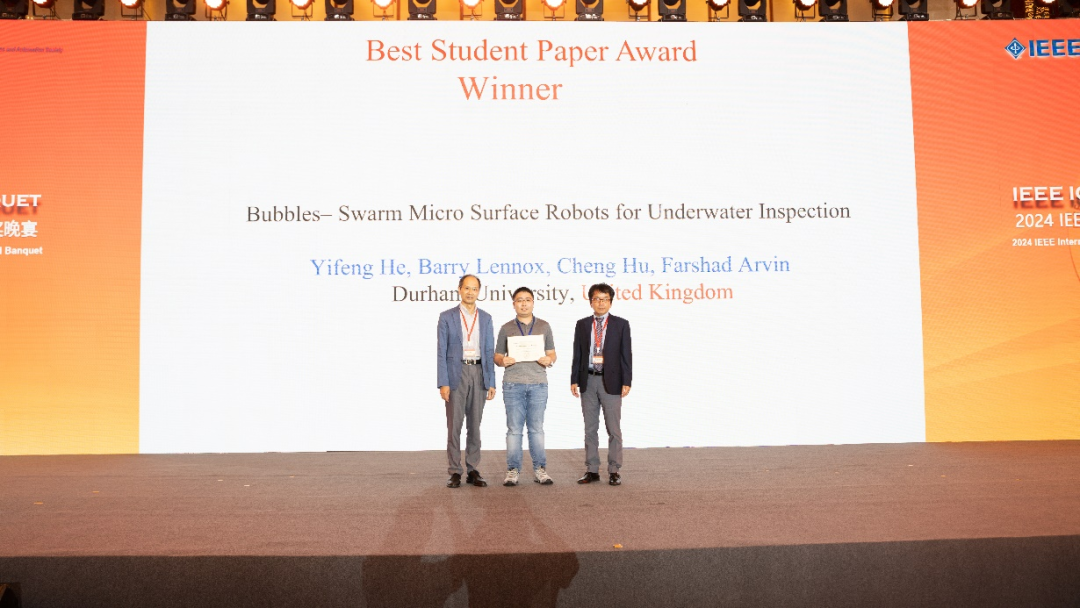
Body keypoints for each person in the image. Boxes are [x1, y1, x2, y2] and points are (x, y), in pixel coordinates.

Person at [437, 275, 496, 488]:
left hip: (479, 372)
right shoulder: (447, 317)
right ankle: (455, 471)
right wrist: (443, 382)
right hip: (456, 373)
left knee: (475, 425)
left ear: (479, 291)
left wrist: (491, 380)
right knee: (454, 426)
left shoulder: (486, 318)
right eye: (467, 288)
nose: (471, 292)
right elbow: (441, 351)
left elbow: (489, 350)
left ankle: (473, 469)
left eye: (475, 289)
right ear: (460, 289)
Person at [494, 287, 557, 487]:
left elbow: (552, 353)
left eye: (527, 299)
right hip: (513, 384)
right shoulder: (506, 328)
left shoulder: (544, 326)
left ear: (533, 303)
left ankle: (540, 469)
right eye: (519, 300)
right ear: (514, 304)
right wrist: (502, 361)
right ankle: (513, 470)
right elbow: (497, 356)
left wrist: (549, 359)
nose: (524, 303)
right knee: (514, 430)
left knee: (536, 429)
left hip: (538, 384)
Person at [570, 283, 632, 486]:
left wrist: (627, 380)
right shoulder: (582, 324)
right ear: (591, 302)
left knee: (614, 429)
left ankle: (614, 470)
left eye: (605, 299)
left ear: (610, 302)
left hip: (611, 381)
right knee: (590, 429)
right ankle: (592, 469)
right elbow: (578, 354)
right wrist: (574, 379)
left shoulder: (621, 324)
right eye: (597, 299)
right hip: (588, 380)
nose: (601, 303)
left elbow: (626, 355)